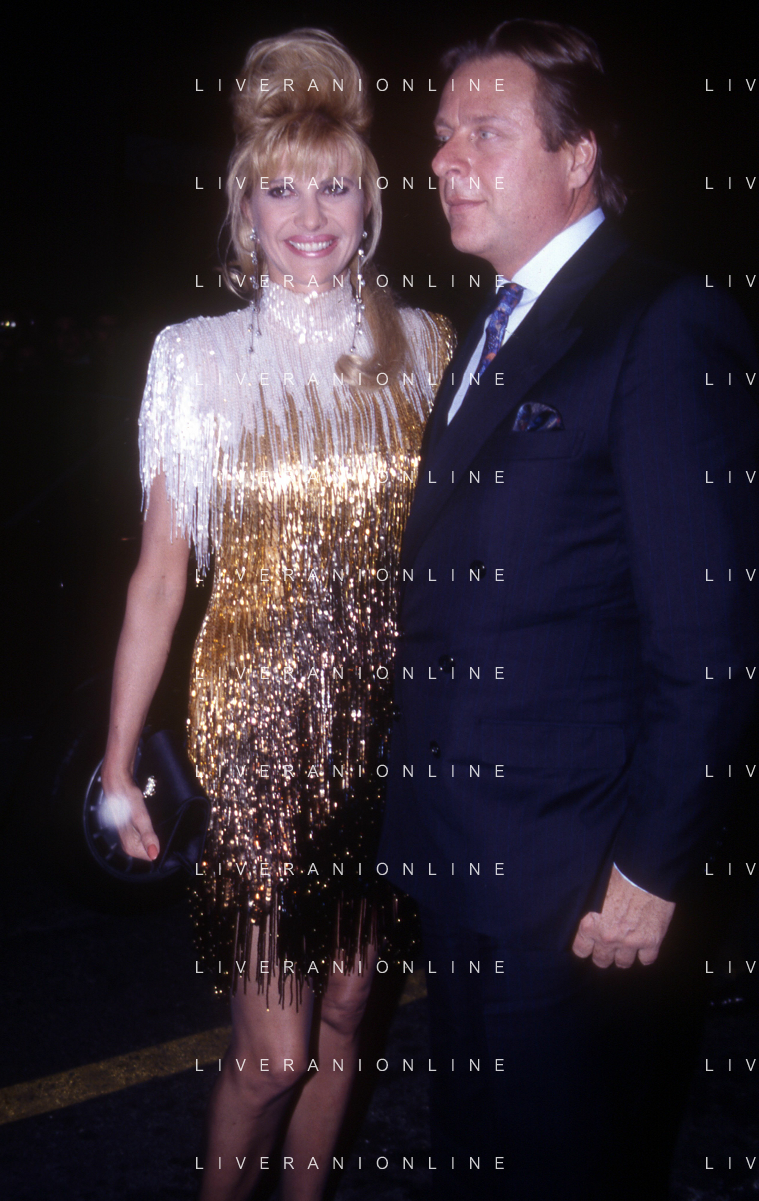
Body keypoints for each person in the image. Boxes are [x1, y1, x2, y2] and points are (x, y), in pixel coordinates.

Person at [379, 18, 759, 1200]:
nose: (445, 159)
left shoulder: (662, 322)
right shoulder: (489, 333)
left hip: (575, 881)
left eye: (485, 133)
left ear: (578, 154)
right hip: (466, 860)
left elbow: (713, 637)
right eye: (442, 134)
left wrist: (651, 867)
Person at [101, 28, 452, 1201]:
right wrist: (118, 759)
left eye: (335, 187)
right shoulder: (195, 359)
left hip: (388, 739)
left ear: (371, 207)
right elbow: (160, 576)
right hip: (255, 740)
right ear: (244, 212)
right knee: (272, 1052)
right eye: (282, 190)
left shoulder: (425, 349)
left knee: (349, 1014)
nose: (310, 214)